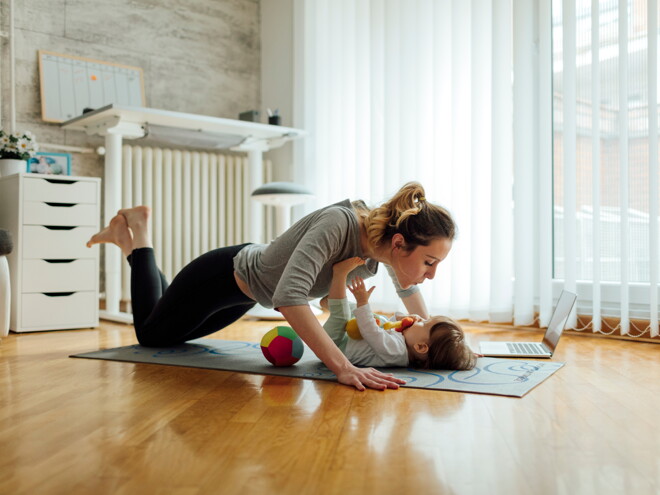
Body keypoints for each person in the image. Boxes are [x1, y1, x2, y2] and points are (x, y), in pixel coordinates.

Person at [86, 181, 456, 391]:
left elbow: (409, 293)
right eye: (429, 262)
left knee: (171, 333)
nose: (431, 274)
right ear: (399, 244)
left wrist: (445, 336)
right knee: (151, 335)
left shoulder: (382, 245)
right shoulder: (339, 224)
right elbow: (289, 297)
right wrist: (343, 367)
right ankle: (137, 233)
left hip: (246, 297)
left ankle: (126, 235)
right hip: (221, 275)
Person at [322, 257, 476, 370]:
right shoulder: (407, 343)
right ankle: (330, 301)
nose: (419, 319)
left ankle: (339, 274)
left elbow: (371, 331)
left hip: (335, 346)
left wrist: (363, 302)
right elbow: (390, 325)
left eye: (424, 323)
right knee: (376, 317)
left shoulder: (395, 352)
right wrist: (401, 319)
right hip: (345, 338)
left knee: (343, 315)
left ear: (421, 347)